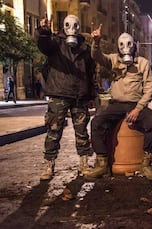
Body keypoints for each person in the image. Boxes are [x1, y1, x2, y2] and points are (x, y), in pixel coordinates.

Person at [84, 24, 152, 180]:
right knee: (96, 122)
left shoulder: (142, 63)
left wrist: (138, 109)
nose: (126, 48)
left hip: (135, 105)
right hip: (116, 104)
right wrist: (96, 42)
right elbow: (97, 57)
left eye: (129, 44)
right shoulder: (113, 60)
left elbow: (149, 88)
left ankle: (145, 164)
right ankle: (102, 163)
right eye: (122, 45)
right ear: (118, 47)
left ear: (134, 46)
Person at [35, 14, 97, 181]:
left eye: (75, 25)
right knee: (54, 131)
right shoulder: (56, 42)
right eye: (69, 25)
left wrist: (92, 95)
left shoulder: (85, 47)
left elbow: (91, 73)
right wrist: (44, 32)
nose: (72, 29)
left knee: (82, 131)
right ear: (64, 26)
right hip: (59, 93)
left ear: (78, 27)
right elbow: (44, 45)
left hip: (80, 95)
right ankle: (49, 165)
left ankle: (83, 164)